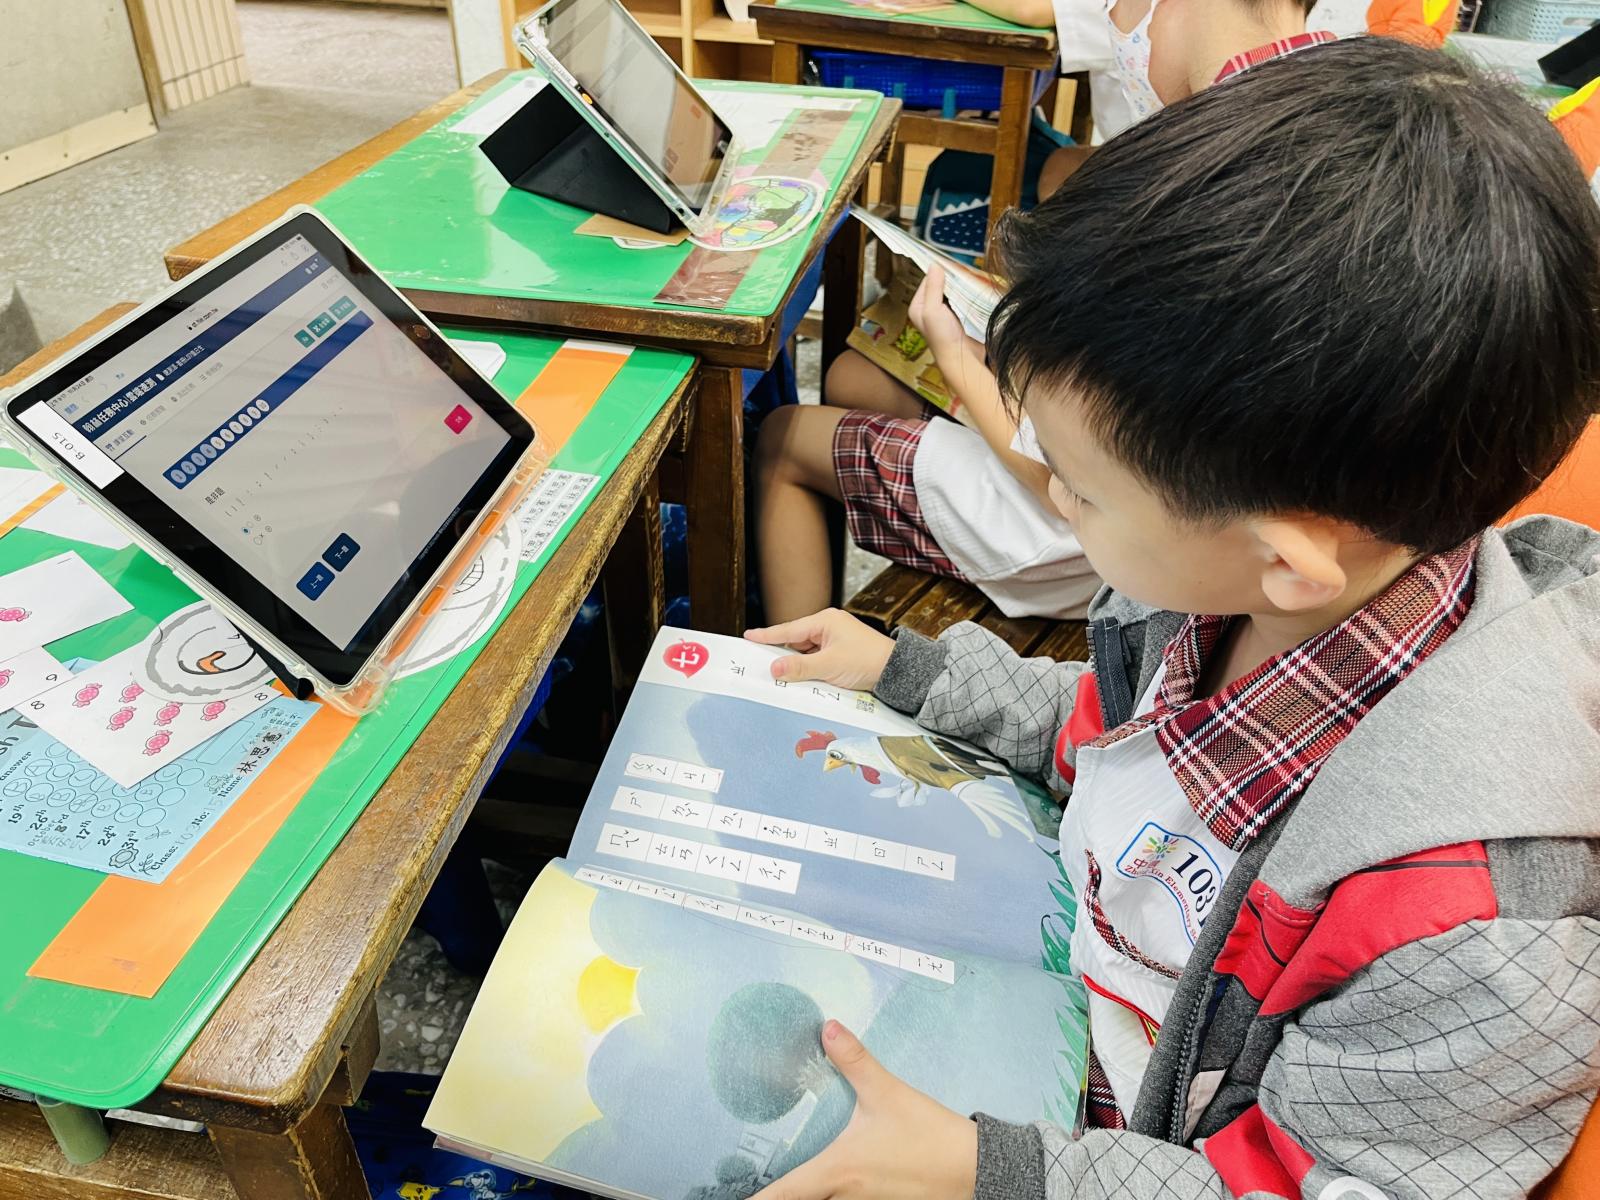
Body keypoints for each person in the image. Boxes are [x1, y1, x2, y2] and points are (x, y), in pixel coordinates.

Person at [745, 37, 1600, 1199]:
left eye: (1079, 488)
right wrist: (912, 673)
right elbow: (1114, 734)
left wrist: (988, 1170)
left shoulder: (1470, 928)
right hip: (1044, 1001)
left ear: (1284, 556)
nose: (1052, 493)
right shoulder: (1227, 604)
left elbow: (1304, 1186)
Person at [754, 0, 1339, 625]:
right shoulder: (1309, 119)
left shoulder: (1197, 202)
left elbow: (1063, 478)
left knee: (783, 438)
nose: (1113, 19)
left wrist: (957, 354)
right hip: (1135, 487)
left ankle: (789, 661)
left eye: (1126, 6)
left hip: (1106, 540)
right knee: (855, 378)